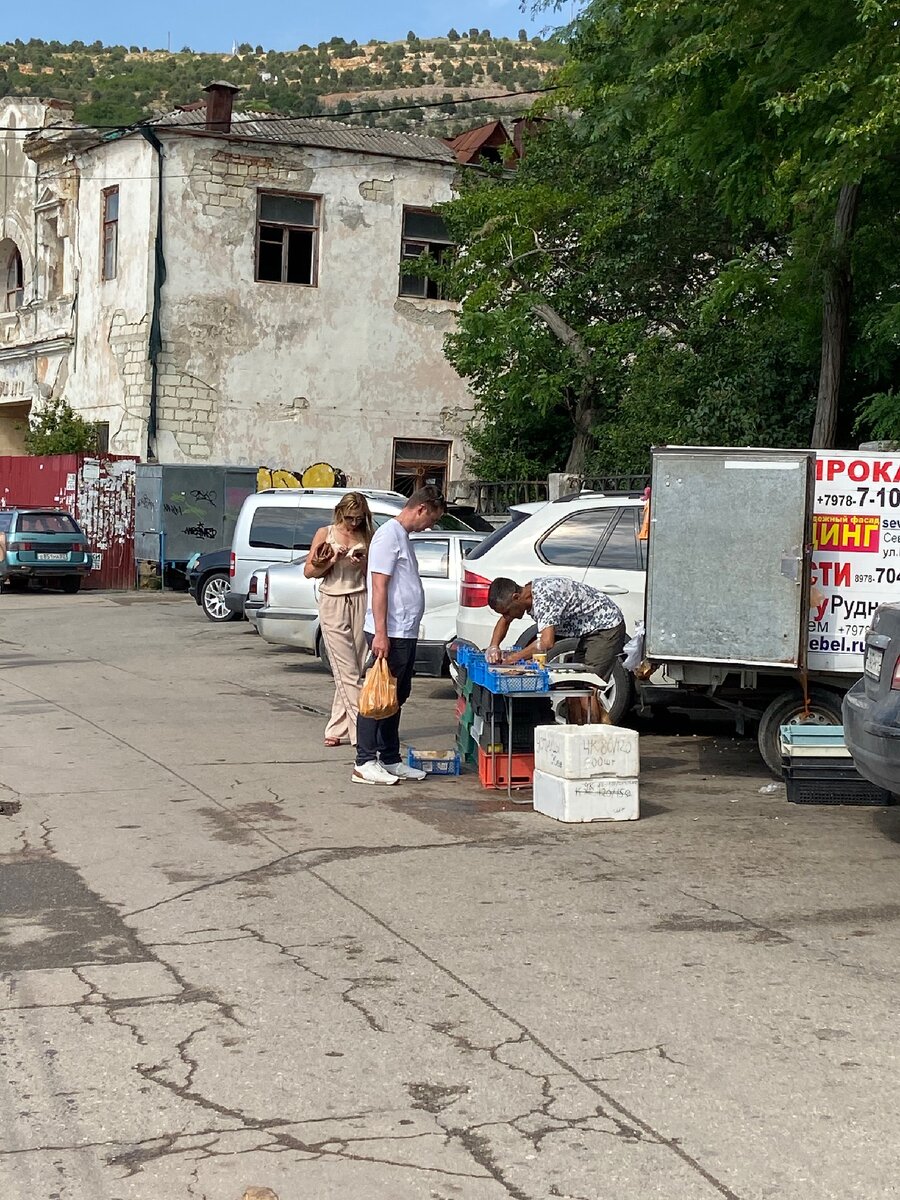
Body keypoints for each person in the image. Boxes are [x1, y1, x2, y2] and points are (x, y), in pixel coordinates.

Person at [352, 485, 447, 786]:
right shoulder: (387, 536)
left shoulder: (402, 537)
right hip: (389, 631)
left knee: (396, 696)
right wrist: (381, 633)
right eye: (432, 519)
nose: (430, 525)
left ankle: (389, 757)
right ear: (421, 508)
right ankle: (364, 761)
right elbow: (379, 586)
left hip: (403, 631)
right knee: (378, 694)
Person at [485, 576, 627, 722]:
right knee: (573, 690)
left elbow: (546, 643)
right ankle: (577, 733)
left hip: (606, 627)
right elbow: (505, 621)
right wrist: (493, 646)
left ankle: (594, 738)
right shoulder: (527, 595)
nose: (507, 616)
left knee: (587, 690)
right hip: (590, 631)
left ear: (516, 597)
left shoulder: (545, 598)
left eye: (507, 611)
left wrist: (513, 659)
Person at [305, 493, 374, 748]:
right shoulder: (326, 533)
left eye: (359, 518)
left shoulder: (368, 535)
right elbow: (309, 571)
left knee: (354, 667)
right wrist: (332, 559)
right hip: (333, 599)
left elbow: (373, 573)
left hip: (360, 599)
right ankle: (361, 730)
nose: (353, 523)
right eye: (349, 518)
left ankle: (336, 727)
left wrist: (362, 558)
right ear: (339, 513)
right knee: (345, 669)